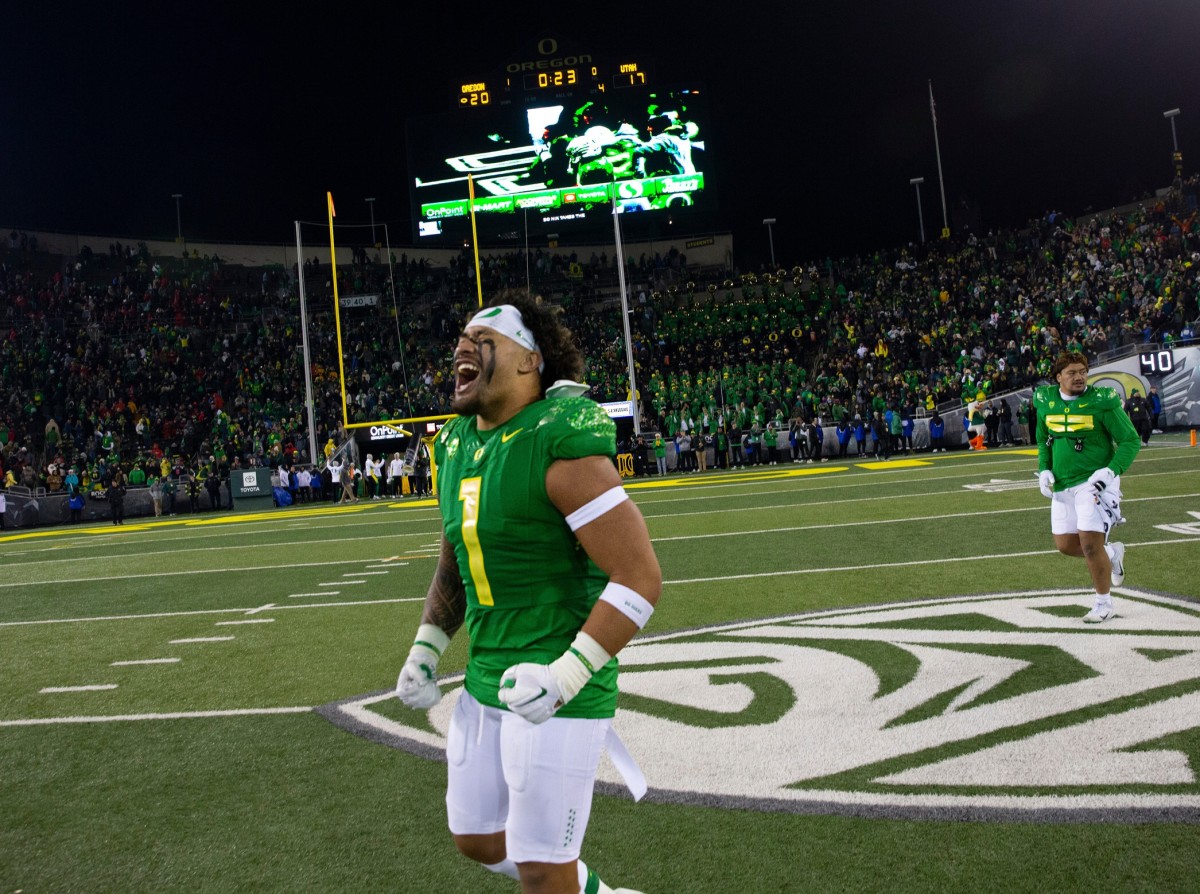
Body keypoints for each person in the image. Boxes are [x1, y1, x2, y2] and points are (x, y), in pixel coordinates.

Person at [395, 294, 661, 894]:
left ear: (529, 361)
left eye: (484, 338)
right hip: (487, 674)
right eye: (462, 338)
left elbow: (640, 577)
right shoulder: (459, 442)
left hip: (555, 681)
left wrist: (568, 675)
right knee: (478, 838)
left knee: (542, 868)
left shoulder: (558, 440)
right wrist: (428, 645)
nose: (463, 347)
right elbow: (457, 552)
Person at [1034, 351, 1141, 623]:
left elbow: (1130, 440)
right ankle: (1112, 553)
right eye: (1072, 372)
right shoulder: (1046, 400)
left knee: (1090, 544)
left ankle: (1104, 603)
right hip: (1063, 482)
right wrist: (1044, 467)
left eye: (1083, 371)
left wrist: (1111, 471)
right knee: (1066, 545)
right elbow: (1044, 437)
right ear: (1058, 377)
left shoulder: (1101, 401)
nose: (1079, 377)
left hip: (1095, 482)